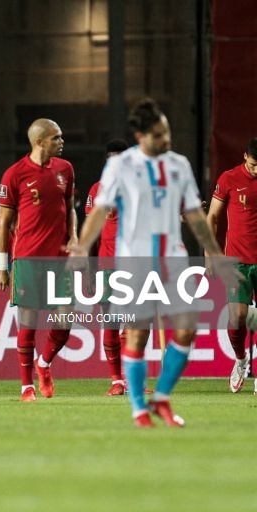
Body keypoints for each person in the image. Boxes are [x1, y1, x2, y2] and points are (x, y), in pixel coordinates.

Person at [69, 98, 231, 427]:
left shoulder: (179, 165)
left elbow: (195, 215)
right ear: (142, 135)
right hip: (135, 262)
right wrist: (82, 246)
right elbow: (100, 210)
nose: (167, 139)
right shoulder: (120, 166)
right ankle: (139, 408)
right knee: (137, 336)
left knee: (186, 330)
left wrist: (214, 252)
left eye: (167, 132)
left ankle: (162, 399)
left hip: (173, 258)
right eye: (159, 134)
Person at [0, 119, 77, 402]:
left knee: (66, 319)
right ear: (40, 142)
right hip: (28, 258)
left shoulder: (65, 169)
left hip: (60, 259)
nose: (62, 142)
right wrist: (2, 266)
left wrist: (74, 237)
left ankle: (43, 363)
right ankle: (26, 387)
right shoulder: (14, 174)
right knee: (28, 322)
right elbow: (3, 224)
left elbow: (70, 207)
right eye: (57, 137)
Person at [206, 137, 257, 394]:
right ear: (245, 157)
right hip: (237, 261)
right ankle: (240, 360)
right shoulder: (229, 179)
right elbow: (212, 216)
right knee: (236, 317)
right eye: (254, 165)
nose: (256, 170)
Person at [85, 138, 130, 396]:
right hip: (107, 267)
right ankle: (116, 380)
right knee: (111, 322)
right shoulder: (97, 190)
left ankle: (131, 375)